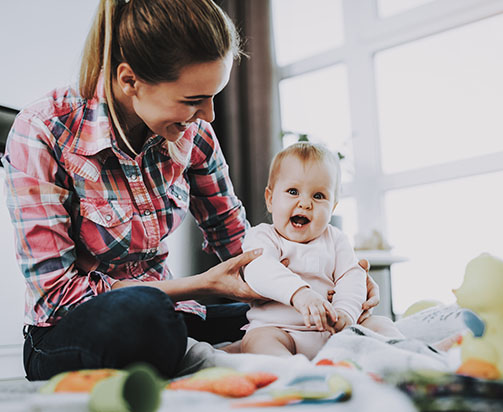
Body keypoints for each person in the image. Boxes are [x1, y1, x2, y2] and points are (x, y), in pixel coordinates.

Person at [2, 0, 380, 381]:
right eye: (193, 100)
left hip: (174, 316)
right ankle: (197, 353)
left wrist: (326, 290)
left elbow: (240, 248)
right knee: (144, 318)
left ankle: (206, 355)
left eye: (213, 96)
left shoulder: (195, 135)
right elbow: (59, 295)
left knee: (287, 322)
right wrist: (198, 285)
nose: (209, 116)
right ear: (129, 80)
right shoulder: (42, 131)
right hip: (69, 330)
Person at [241, 143, 404, 359]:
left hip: (333, 333)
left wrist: (345, 312)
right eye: (292, 192)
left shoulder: (336, 240)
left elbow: (352, 276)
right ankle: (293, 372)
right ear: (270, 199)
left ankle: (406, 356)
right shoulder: (262, 236)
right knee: (257, 341)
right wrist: (300, 294)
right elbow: (259, 269)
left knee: (380, 323)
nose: (305, 203)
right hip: (281, 330)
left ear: (333, 208)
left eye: (318, 196)